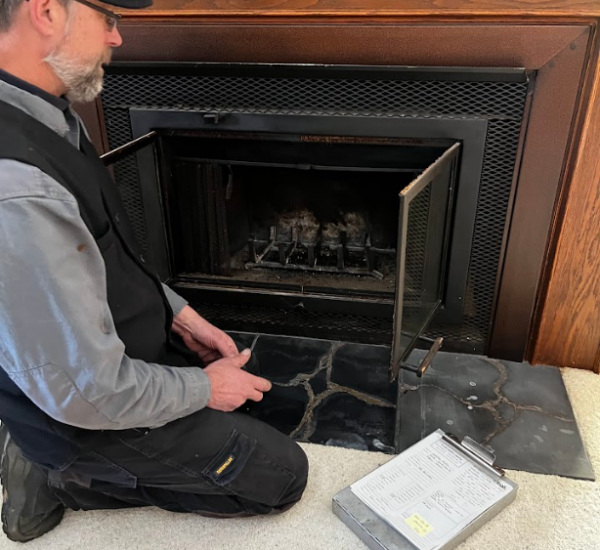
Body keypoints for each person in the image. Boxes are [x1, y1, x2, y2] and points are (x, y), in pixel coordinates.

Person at [0, 0, 309, 542]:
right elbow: (85, 392)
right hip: (79, 412)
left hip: (91, 358)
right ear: (47, 11)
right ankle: (67, 476)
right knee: (282, 477)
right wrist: (203, 388)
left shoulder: (40, 110)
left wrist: (178, 313)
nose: (118, 39)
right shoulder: (17, 189)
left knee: (277, 407)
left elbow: (101, 252)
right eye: (108, 19)